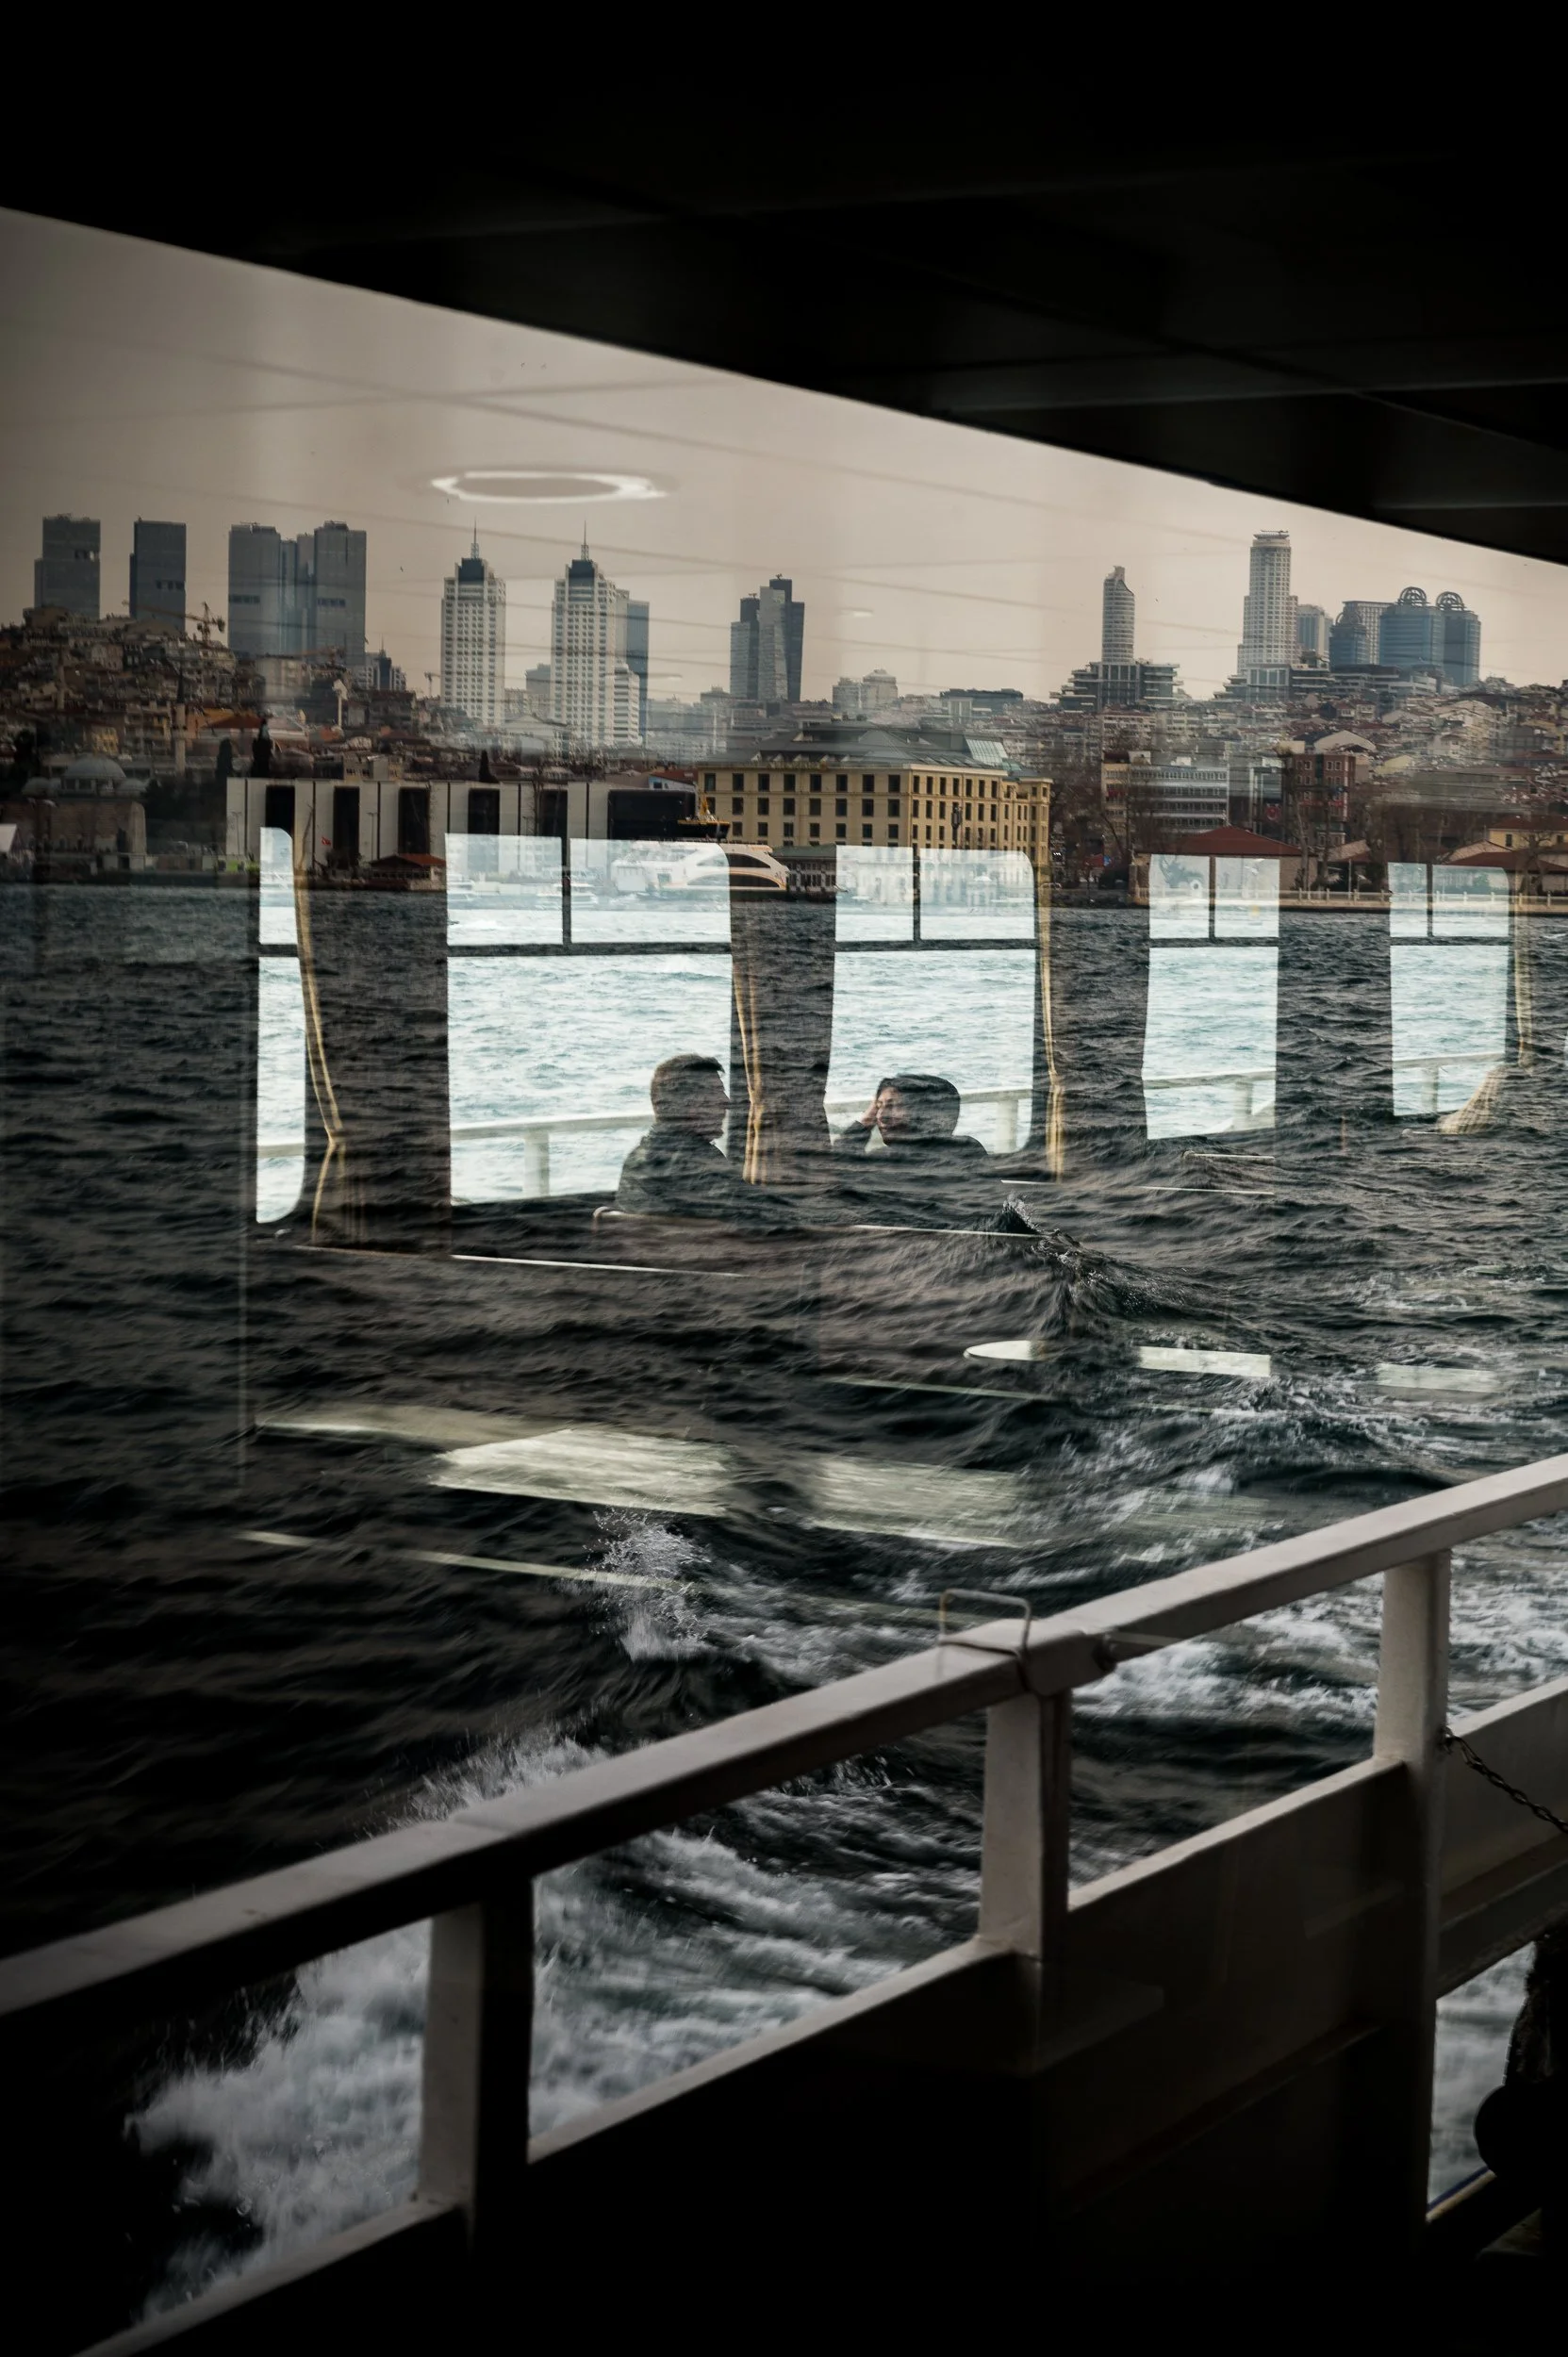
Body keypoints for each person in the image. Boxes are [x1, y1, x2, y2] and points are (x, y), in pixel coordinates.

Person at [832, 1072, 1011, 1228]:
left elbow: (834, 1168)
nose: (881, 1116)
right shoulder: (969, 1148)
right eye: (878, 1107)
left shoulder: (884, 1162)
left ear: (924, 1113)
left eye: (894, 1106)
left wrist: (866, 1119)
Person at [617, 1053, 768, 1223]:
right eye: (715, 1092)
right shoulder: (700, 1163)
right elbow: (756, 1216)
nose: (726, 1101)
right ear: (689, 1104)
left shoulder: (636, 1160)